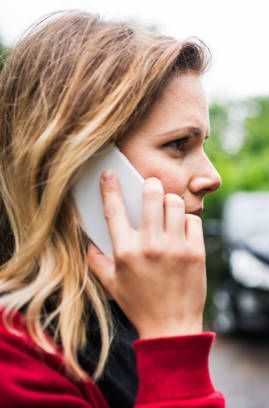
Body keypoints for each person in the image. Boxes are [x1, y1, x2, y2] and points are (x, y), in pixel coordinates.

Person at [0, 11, 225, 407]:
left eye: (203, 144)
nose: (212, 176)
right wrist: (174, 340)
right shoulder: (16, 366)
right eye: (179, 145)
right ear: (79, 164)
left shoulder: (122, 309)